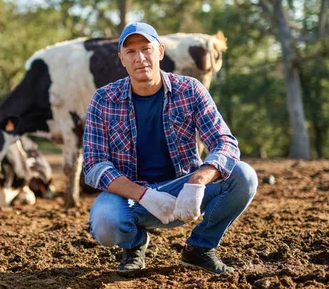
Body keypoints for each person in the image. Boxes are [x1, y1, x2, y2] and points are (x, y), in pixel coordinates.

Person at [82, 22, 257, 275]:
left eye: (146, 49)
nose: (140, 58)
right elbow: (94, 165)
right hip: (131, 197)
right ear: (121, 59)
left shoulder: (190, 90)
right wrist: (143, 195)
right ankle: (133, 245)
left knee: (244, 176)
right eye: (130, 52)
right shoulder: (103, 99)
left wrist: (198, 180)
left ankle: (199, 248)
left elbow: (225, 142)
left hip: (183, 192)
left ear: (161, 51)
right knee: (105, 223)